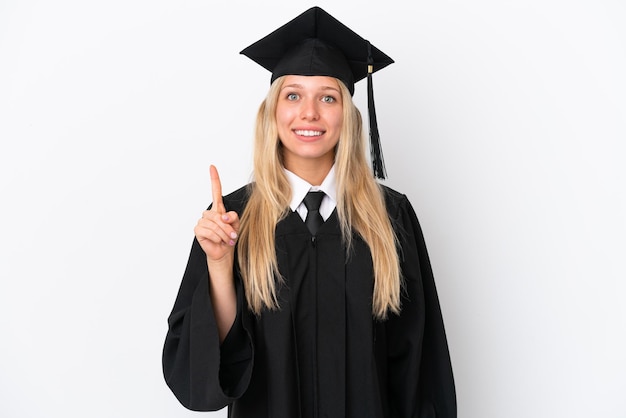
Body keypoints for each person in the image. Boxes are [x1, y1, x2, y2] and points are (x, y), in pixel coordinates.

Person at [162, 6, 456, 418]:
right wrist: (219, 267)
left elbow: (420, 365)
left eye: (328, 97)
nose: (309, 113)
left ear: (348, 116)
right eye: (294, 95)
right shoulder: (231, 219)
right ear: (273, 112)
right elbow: (205, 380)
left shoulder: (390, 217)